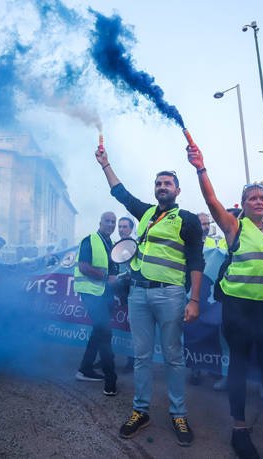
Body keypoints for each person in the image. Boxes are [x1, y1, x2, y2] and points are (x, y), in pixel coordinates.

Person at [187, 144, 263, 458]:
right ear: (242, 205)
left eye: (262, 198)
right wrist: (201, 168)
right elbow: (210, 200)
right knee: (239, 367)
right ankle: (239, 429)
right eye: (252, 198)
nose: (258, 201)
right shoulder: (234, 226)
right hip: (238, 310)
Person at [95, 145, 203, 447]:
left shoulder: (187, 218)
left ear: (178, 190)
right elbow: (121, 194)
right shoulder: (145, 214)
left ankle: (178, 413)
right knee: (141, 357)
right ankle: (140, 411)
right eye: (158, 183)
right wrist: (106, 164)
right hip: (138, 294)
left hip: (170, 295)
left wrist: (194, 300)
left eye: (167, 183)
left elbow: (196, 260)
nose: (162, 187)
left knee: (173, 357)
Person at [74, 211, 119, 395]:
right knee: (105, 332)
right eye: (107, 221)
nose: (110, 224)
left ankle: (84, 369)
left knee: (99, 331)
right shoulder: (89, 239)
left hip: (105, 294)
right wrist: (106, 277)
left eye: (113, 222)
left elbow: (115, 273)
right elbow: (83, 267)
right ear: (100, 222)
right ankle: (111, 379)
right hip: (91, 293)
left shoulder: (113, 244)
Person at [116, 216, 137, 373]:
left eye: (125, 226)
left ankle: (132, 360)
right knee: (120, 326)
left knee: (133, 327)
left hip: (133, 290)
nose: (121, 229)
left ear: (131, 228)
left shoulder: (136, 245)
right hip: (119, 290)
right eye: (120, 226)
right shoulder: (116, 245)